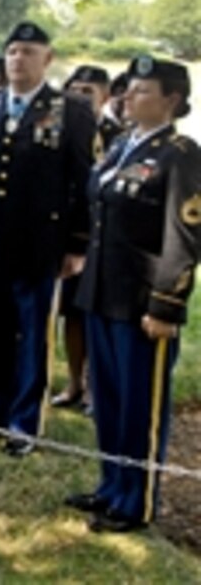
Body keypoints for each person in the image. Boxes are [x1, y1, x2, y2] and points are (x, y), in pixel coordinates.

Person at [69, 55, 200, 532]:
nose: (127, 96)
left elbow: (183, 237)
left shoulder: (180, 154)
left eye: (142, 90)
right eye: (127, 89)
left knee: (140, 404)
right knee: (109, 399)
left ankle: (137, 503)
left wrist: (167, 304)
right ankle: (111, 486)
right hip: (103, 294)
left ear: (172, 100)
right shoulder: (123, 145)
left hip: (143, 304)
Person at [0, 22, 95, 456]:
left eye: (29, 51)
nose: (18, 59)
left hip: (40, 243)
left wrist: (77, 243)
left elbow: (83, 181)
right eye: (13, 50)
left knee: (31, 336)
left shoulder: (70, 109)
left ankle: (25, 423)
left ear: (48, 59)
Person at [52, 64, 119, 410]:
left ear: (105, 96)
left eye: (88, 91)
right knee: (71, 314)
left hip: (105, 242)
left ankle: (96, 387)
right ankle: (75, 382)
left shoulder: (118, 135)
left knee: (96, 315)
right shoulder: (58, 129)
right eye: (74, 89)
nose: (79, 96)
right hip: (70, 236)